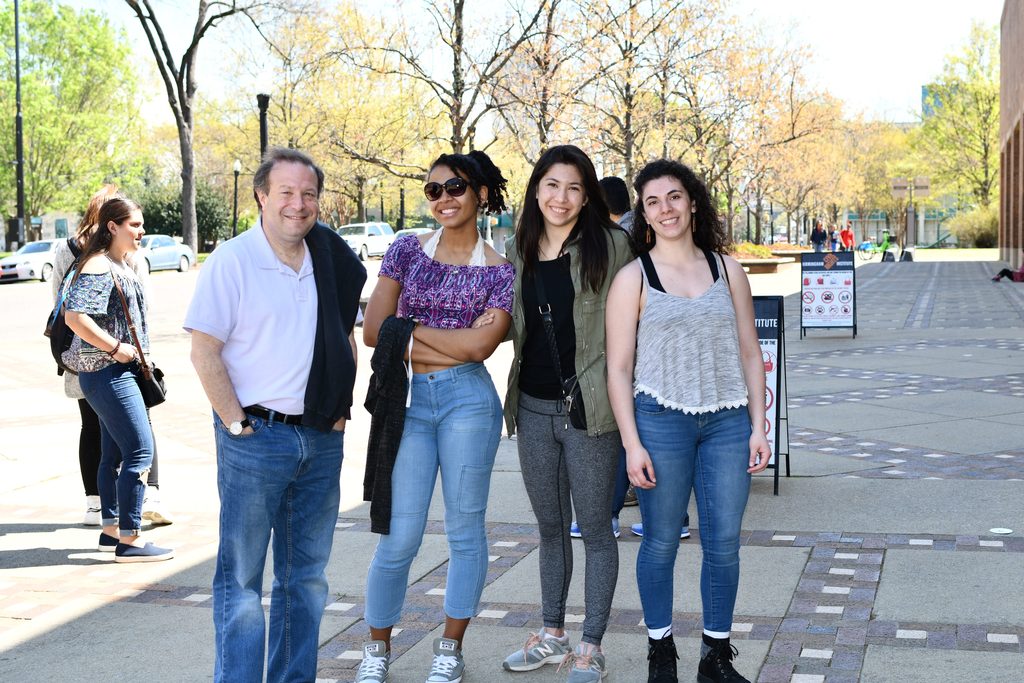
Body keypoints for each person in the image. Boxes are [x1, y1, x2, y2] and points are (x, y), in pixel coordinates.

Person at [185, 147, 366, 682]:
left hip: (319, 439)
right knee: (241, 580)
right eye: (285, 192)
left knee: (305, 579)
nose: (298, 204)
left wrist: (339, 411)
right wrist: (236, 422)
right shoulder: (233, 260)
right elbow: (204, 351)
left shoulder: (328, 259)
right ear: (262, 195)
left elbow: (344, 338)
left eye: (308, 194)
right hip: (254, 438)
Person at [606, 159, 771, 683]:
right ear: (644, 215)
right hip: (659, 420)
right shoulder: (633, 277)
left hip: (726, 422)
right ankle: (661, 653)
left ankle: (715, 658)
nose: (665, 209)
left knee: (723, 543)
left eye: (674, 196)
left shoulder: (728, 269)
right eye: (652, 202)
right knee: (660, 540)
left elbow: (750, 353)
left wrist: (758, 425)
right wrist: (632, 444)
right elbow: (619, 368)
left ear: (693, 201)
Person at [356, 150, 513, 683]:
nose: (443, 198)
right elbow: (375, 333)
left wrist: (411, 329)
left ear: (481, 194)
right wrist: (446, 340)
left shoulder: (500, 272)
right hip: (409, 405)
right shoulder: (406, 250)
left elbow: (479, 352)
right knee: (399, 535)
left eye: (455, 188)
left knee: (465, 531)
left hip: (469, 403)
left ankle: (450, 649)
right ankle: (376, 649)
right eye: (433, 190)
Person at [500, 145, 632, 683]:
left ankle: (591, 645)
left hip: (591, 410)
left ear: (588, 195)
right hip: (532, 407)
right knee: (550, 526)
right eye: (552, 185)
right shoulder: (517, 248)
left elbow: (637, 327)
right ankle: (552, 635)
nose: (562, 198)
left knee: (596, 527)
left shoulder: (613, 246)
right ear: (537, 189)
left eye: (575, 188)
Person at [52, 185, 172, 527]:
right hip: (108, 372)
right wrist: (117, 348)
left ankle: (110, 529)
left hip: (111, 372)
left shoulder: (118, 263)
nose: (141, 230)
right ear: (112, 227)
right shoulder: (98, 265)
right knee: (139, 450)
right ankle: (130, 537)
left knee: (113, 453)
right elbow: (74, 316)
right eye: (134, 224)